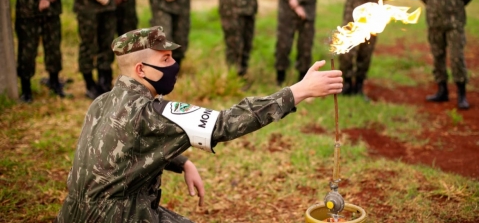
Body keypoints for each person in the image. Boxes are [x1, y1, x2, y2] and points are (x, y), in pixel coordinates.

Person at [54, 26, 343, 222]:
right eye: (165, 59)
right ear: (141, 69)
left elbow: (125, 147)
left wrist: (182, 163)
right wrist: (297, 92)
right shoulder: (152, 112)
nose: (174, 64)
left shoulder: (102, 101)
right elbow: (223, 124)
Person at [419, 0, 474, 109]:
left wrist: (454, 5)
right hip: (434, 21)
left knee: (457, 56)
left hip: (454, 21)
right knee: (437, 56)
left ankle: (461, 94)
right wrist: (434, 6)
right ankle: (442, 90)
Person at [11, 0, 67, 102]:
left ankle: (54, 83)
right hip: (28, 8)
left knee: (53, 46)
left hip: (51, 7)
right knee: (27, 49)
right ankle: (26, 89)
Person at [338, 0, 395, 99]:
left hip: (373, 12)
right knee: (347, 48)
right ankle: (346, 83)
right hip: (353, 9)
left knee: (366, 50)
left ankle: (359, 84)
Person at [67, 0, 119, 99]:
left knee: (107, 43)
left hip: (108, 5)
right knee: (88, 44)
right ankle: (89, 83)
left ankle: (105, 81)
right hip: (87, 6)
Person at [275, 0, 326, 85]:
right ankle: (280, 77)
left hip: (307, 8)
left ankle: (303, 78)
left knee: (305, 45)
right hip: (287, 6)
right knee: (284, 42)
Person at [141, 0, 200, 66]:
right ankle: (162, 71)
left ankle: (176, 70)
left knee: (180, 38)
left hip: (181, 0)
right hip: (159, 0)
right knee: (163, 37)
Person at [211, 0, 259, 77]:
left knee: (247, 41)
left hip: (250, 2)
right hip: (232, 4)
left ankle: (243, 74)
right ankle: (233, 78)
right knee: (234, 44)